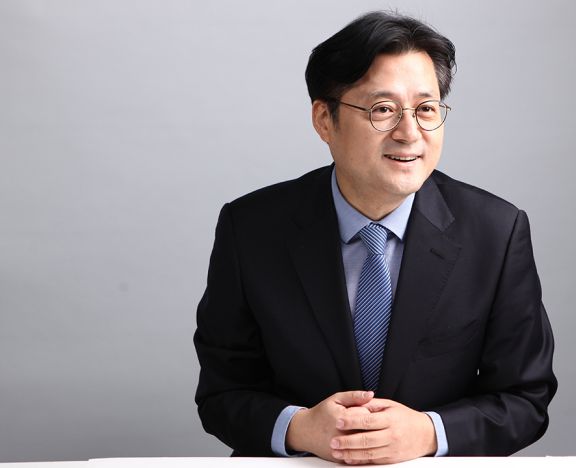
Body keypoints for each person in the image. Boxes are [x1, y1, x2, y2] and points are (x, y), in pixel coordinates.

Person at [194, 10, 557, 464]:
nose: (409, 133)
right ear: (324, 120)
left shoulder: (496, 232)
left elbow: (526, 398)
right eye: (383, 109)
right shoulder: (251, 228)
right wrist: (300, 428)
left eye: (426, 109)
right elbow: (222, 393)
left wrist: (429, 432)